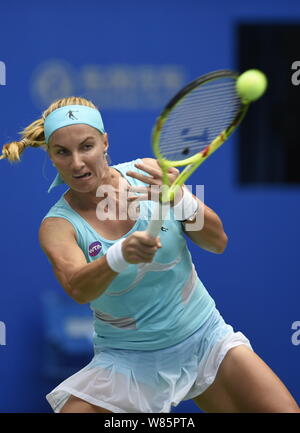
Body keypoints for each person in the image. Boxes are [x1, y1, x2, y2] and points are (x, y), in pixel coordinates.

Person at [1, 96, 299, 414]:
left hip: (204, 337)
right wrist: (119, 256)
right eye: (63, 152)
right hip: (126, 360)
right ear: (51, 155)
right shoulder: (58, 226)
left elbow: (218, 242)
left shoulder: (150, 174)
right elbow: (77, 288)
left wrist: (182, 201)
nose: (77, 163)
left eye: (86, 146)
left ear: (104, 142)